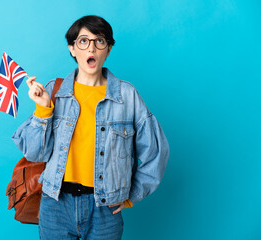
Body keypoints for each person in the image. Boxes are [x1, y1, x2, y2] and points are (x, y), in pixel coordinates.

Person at [12, 15, 170, 240]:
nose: (92, 48)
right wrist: (43, 110)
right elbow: (35, 153)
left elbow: (157, 153)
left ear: (108, 49)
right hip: (55, 204)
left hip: (104, 209)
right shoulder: (53, 91)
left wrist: (131, 195)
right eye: (83, 41)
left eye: (100, 41)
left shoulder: (127, 96)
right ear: (72, 49)